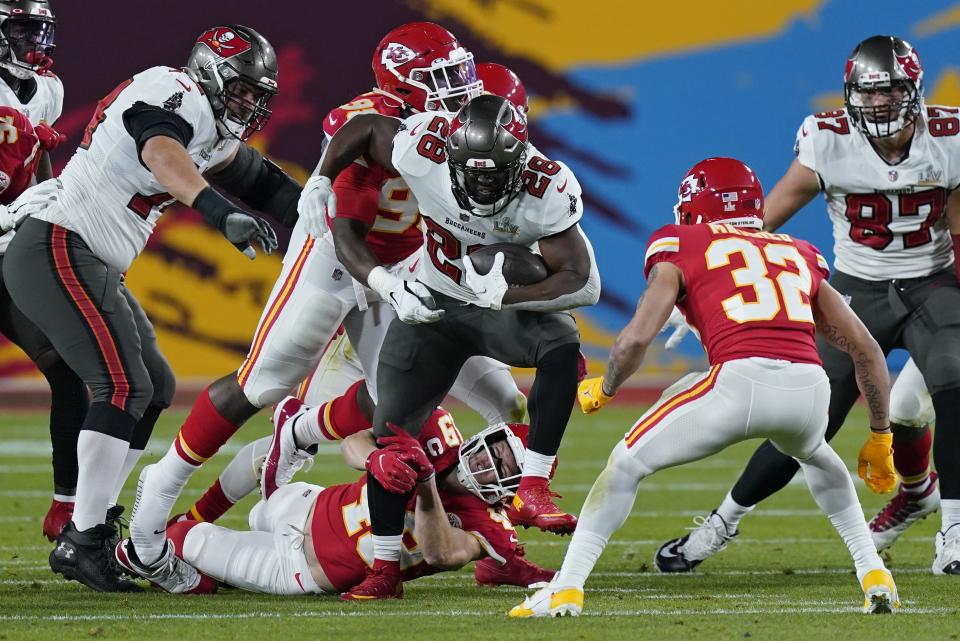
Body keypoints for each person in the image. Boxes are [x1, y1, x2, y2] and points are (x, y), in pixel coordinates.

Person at [126, 22, 533, 584]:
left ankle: (493, 542)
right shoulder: (366, 116)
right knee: (264, 382)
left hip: (407, 268)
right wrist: (321, 179)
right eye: (441, 78)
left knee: (448, 398)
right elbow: (351, 163)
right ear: (401, 87)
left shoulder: (468, 123)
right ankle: (163, 484)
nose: (458, 90)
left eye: (460, 75)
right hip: (335, 256)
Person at [509, 157, 900, 617]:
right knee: (816, 454)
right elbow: (866, 349)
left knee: (625, 465)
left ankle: (567, 587)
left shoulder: (679, 241)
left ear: (696, 207)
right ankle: (874, 573)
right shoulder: (799, 250)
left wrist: (608, 388)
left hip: (737, 384)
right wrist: (880, 435)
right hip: (810, 390)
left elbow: (635, 338)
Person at [2, 24, 297, 593]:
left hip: (88, 257)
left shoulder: (209, 127)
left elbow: (266, 184)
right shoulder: (173, 89)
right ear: (209, 72)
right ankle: (81, 538)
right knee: (119, 384)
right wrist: (215, 211)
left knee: (153, 386)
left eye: (256, 94)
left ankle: (94, 525)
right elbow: (160, 152)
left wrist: (328, 216)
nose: (249, 103)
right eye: (240, 90)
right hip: (58, 242)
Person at [655, 35, 960, 575]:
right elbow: (759, 223)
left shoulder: (949, 138)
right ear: (850, 96)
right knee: (806, 411)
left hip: (932, 285)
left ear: (913, 90)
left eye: (889, 91)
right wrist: (698, 279)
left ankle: (955, 531)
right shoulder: (828, 139)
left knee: (952, 376)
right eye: (868, 94)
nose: (879, 105)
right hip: (857, 289)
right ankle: (722, 522)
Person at [298, 91, 599, 600]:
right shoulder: (424, 145)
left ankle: (534, 486)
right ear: (449, 155)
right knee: (392, 432)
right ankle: (385, 571)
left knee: (562, 342)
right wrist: (322, 175)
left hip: (498, 306)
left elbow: (582, 282)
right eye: (472, 172)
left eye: (494, 174)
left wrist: (513, 293)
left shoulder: (545, 184)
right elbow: (368, 127)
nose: (482, 184)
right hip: (434, 307)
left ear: (520, 160)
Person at [158, 413, 554, 596]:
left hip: (302, 567)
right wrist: (373, 458)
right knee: (264, 478)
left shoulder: (487, 525)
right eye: (494, 448)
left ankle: (198, 571)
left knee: (177, 538)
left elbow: (440, 553)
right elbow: (355, 439)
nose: (487, 458)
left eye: (502, 465)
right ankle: (282, 455)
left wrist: (427, 484)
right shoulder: (437, 430)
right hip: (307, 502)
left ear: (507, 491)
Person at [0, 0, 84, 542]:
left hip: (8, 252)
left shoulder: (47, 90)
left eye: (42, 29)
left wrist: (44, 213)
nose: (37, 40)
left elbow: (40, 166)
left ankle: (67, 507)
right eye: (25, 28)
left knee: (70, 369)